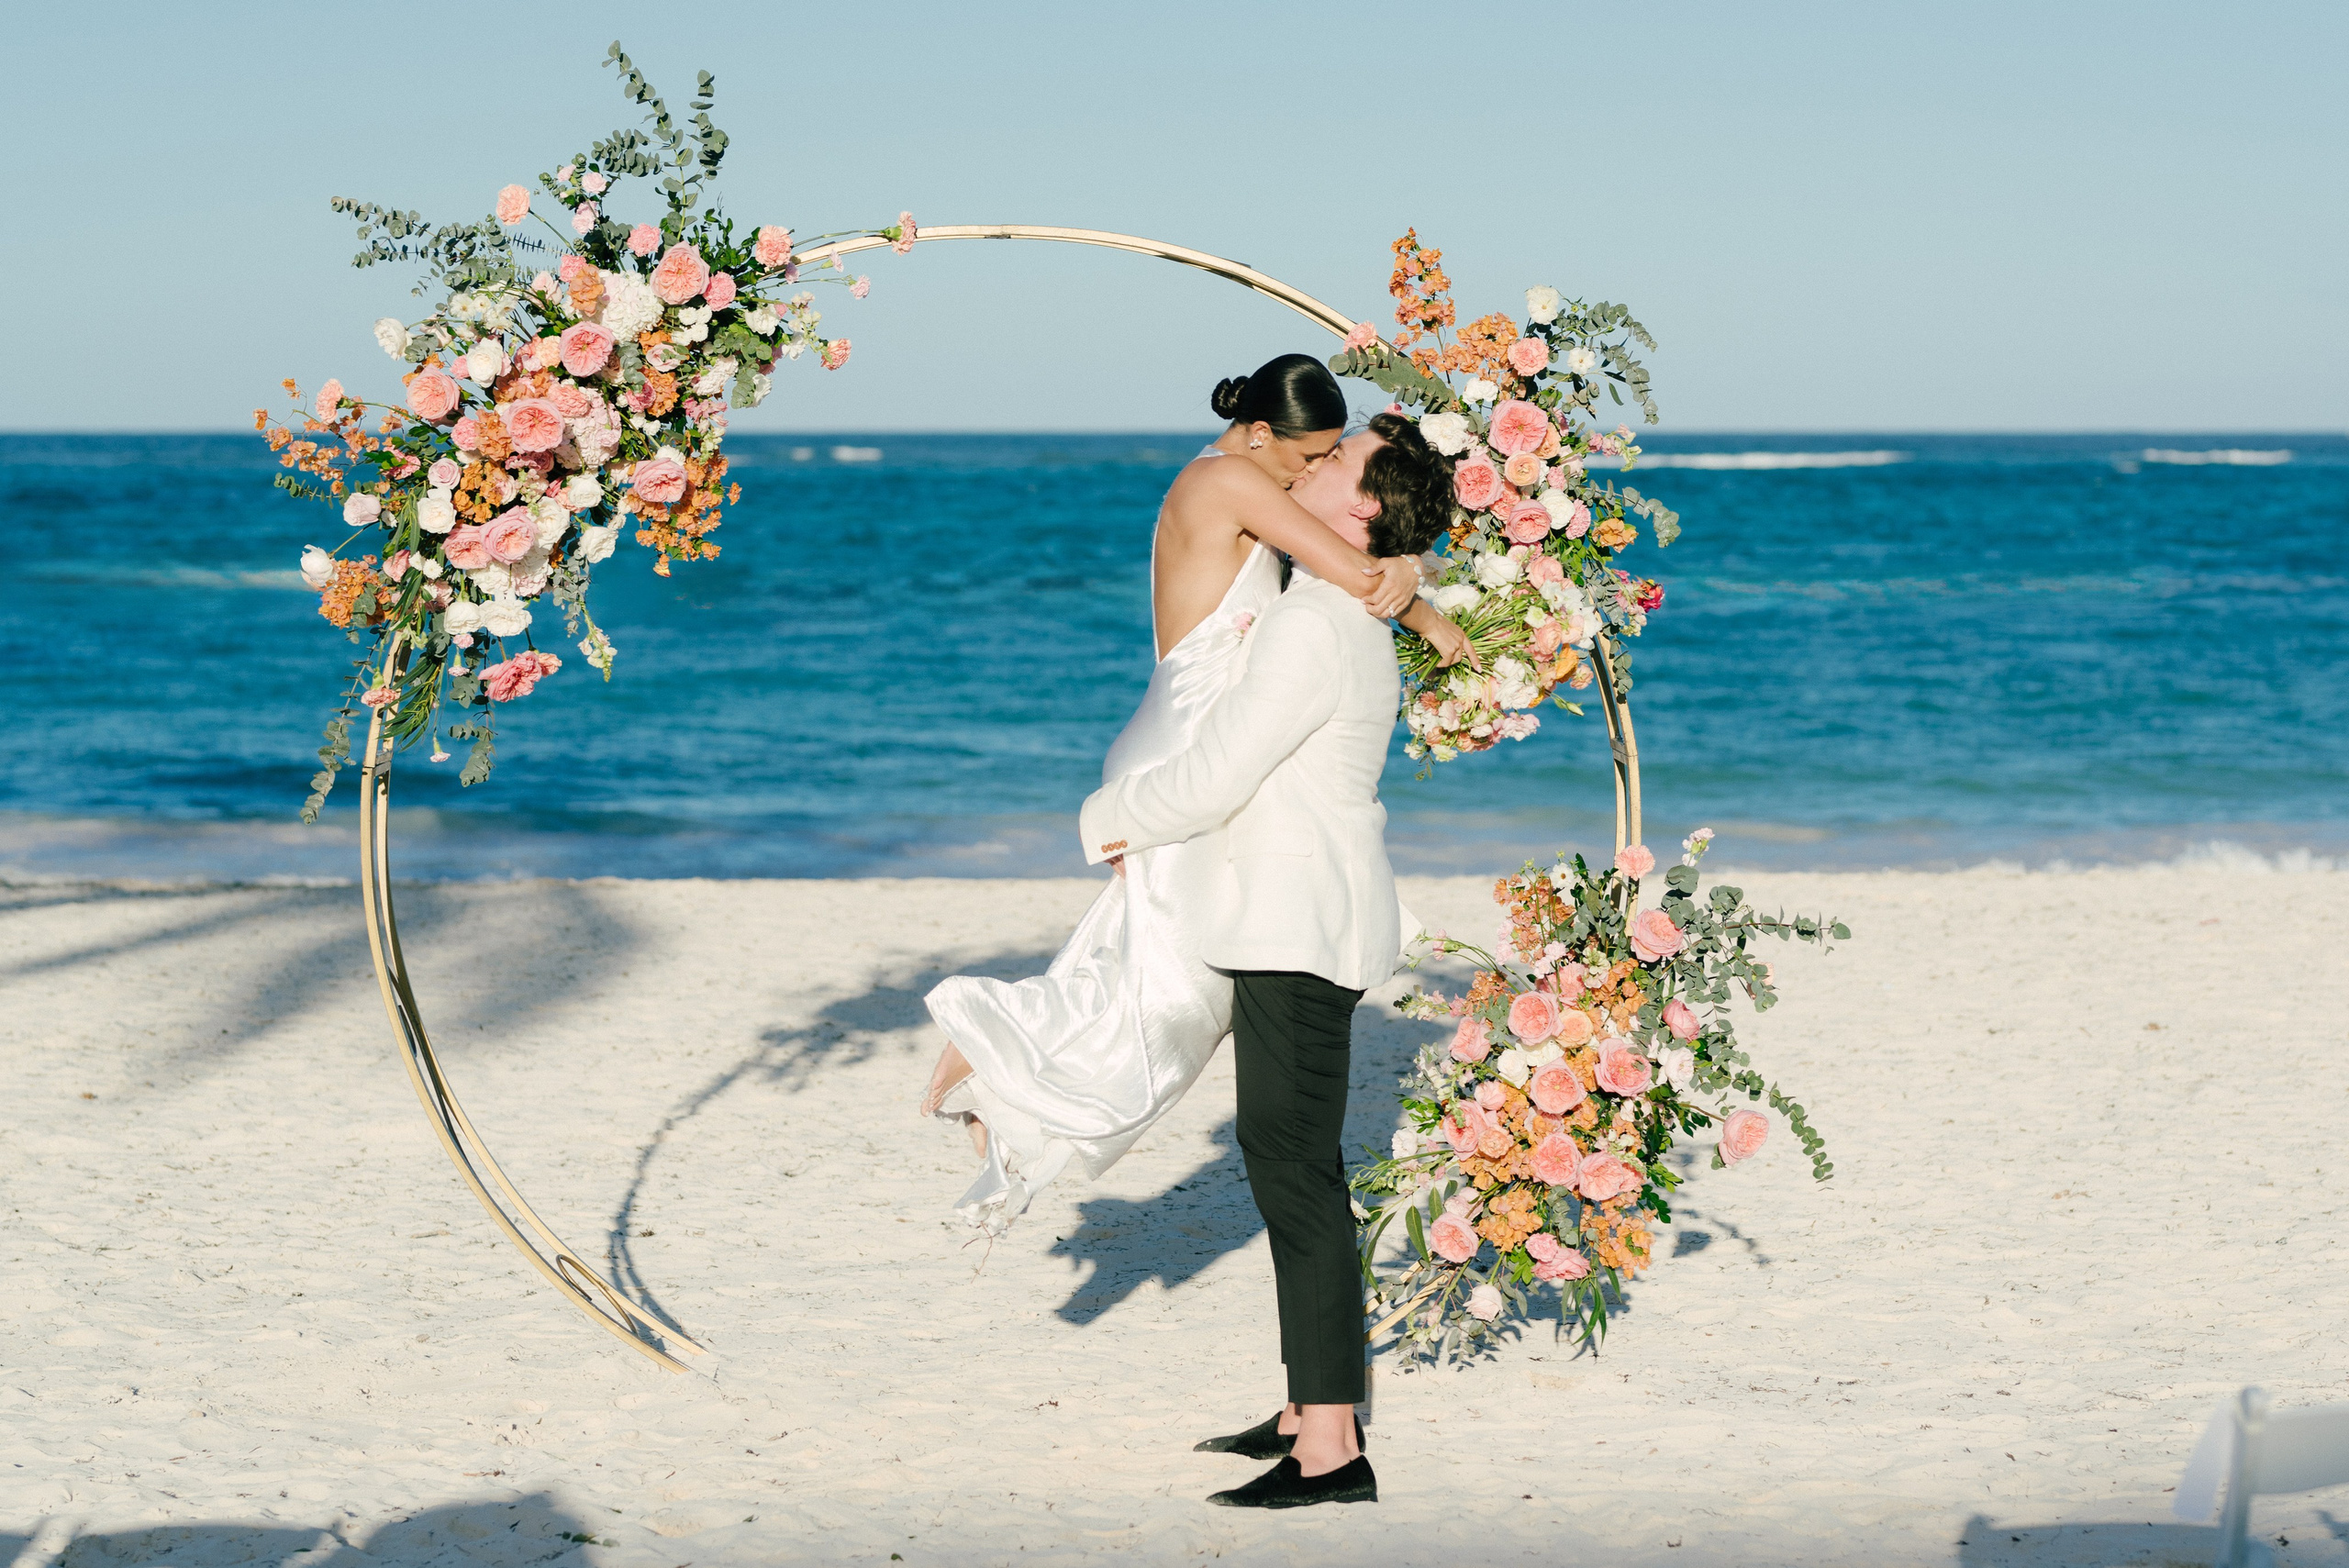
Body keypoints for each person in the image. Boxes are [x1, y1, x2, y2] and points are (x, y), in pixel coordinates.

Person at [918, 355, 1463, 1228]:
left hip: (1183, 739)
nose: (1316, 470)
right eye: (1311, 455)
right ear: (1259, 434)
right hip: (1179, 747)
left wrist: (1408, 568)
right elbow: (1356, 569)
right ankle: (996, 1049)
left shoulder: (1243, 480)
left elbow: (1353, 557)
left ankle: (1004, 1087)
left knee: (1158, 966)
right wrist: (1423, 604)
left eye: (1331, 458)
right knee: (1181, 995)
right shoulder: (1229, 484)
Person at [1076, 413, 1449, 1508]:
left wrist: (1101, 819)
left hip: (1294, 923)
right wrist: (1414, 570)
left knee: (1295, 1175)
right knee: (1295, 1163)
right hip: (1311, 915)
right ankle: (1303, 1406)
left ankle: (1332, 1447)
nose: (1305, 472)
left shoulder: (1315, 625)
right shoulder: (1339, 608)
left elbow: (1213, 778)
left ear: (1364, 510)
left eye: (1331, 464)